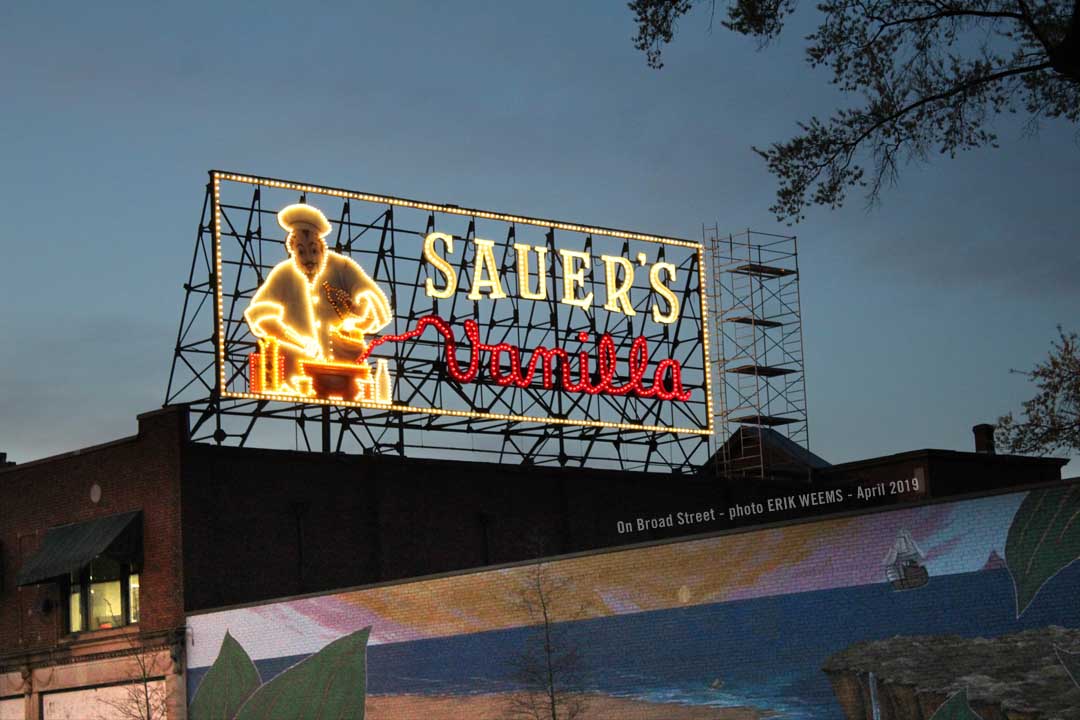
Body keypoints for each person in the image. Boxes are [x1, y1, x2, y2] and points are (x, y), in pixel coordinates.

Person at [244, 203, 392, 394]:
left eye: (313, 251)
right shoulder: (283, 273)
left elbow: (375, 304)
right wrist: (299, 341)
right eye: (301, 251)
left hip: (343, 364)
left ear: (322, 248)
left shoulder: (341, 267)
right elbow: (260, 316)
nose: (309, 259)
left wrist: (356, 315)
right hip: (297, 371)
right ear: (292, 251)